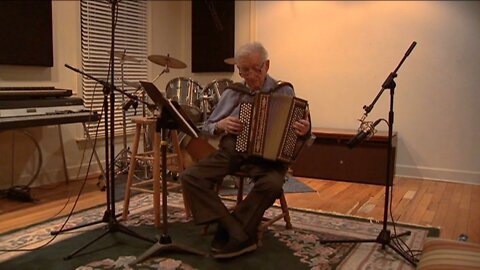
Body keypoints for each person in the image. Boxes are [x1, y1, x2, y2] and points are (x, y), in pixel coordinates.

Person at [180, 42, 311, 259]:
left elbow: (302, 132)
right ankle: (235, 228)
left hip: (269, 160)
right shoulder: (233, 92)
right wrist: (221, 125)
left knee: (272, 184)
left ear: (266, 65)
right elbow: (208, 126)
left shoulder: (284, 90)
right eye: (243, 70)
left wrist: (304, 130)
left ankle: (232, 229)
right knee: (190, 176)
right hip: (233, 152)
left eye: (254, 69)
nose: (249, 75)